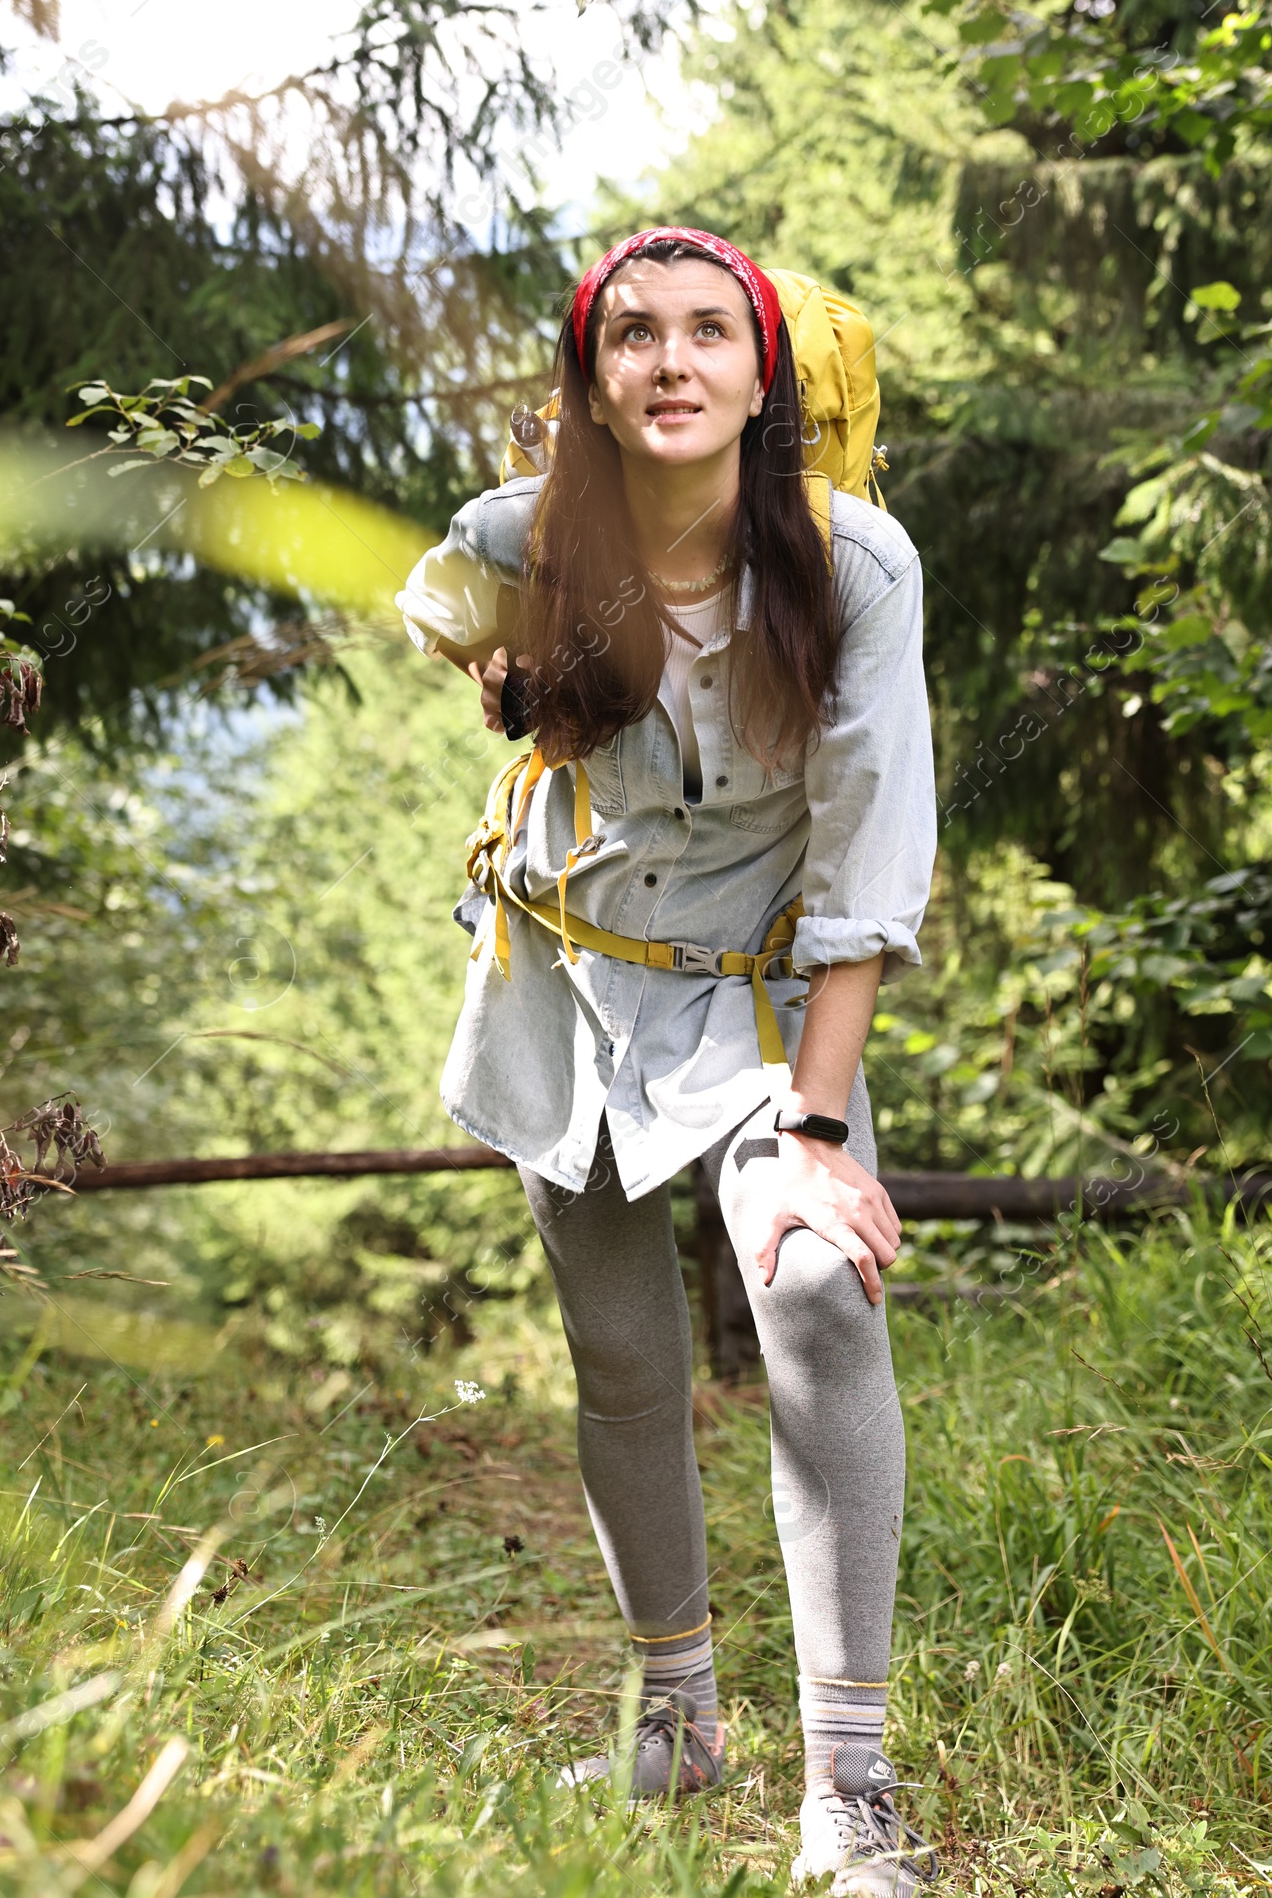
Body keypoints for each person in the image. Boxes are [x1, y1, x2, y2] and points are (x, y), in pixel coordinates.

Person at [396, 228, 938, 1895]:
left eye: (711, 334)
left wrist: (827, 1134)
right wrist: (491, 655)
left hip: (766, 1002)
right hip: (561, 983)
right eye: (636, 337)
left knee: (815, 1289)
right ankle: (676, 1723)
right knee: (621, 1358)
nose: (674, 363)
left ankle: (847, 1786)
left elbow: (865, 868)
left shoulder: (852, 569)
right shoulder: (526, 531)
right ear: (594, 380)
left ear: (763, 377)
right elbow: (426, 592)